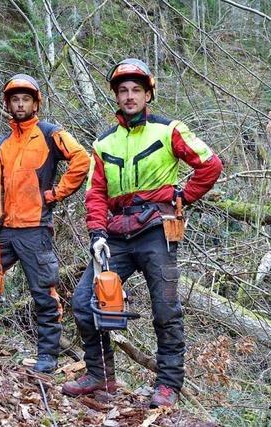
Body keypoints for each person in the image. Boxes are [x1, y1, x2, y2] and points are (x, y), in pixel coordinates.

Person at [62, 59, 223, 406]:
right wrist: (97, 234)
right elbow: (94, 194)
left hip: (156, 230)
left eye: (136, 90)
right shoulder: (103, 143)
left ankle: (167, 386)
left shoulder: (169, 130)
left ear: (148, 93)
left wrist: (183, 197)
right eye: (123, 90)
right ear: (116, 96)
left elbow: (210, 165)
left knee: (165, 309)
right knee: (83, 301)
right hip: (116, 234)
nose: (130, 96)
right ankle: (100, 377)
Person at [0, 74, 90, 373]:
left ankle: (47, 358)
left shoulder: (49, 133)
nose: (19, 104)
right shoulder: (2, 143)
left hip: (35, 229)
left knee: (43, 293)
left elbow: (82, 159)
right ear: (8, 103)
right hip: (6, 229)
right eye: (15, 99)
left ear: (35, 102)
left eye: (25, 99)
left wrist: (56, 193)